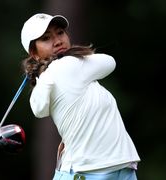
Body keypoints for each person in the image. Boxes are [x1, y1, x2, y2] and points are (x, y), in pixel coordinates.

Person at [20, 13, 140, 180]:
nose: (58, 41)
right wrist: (78, 57)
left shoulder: (50, 77)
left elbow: (39, 109)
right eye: (46, 38)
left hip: (115, 168)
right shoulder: (67, 66)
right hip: (90, 172)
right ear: (34, 52)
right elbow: (109, 62)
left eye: (60, 33)